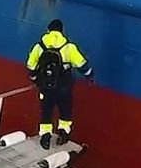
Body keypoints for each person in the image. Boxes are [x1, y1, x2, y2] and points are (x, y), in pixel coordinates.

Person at [26, 19, 92, 149]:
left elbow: (31, 65)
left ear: (48, 30)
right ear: (61, 31)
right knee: (65, 110)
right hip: (64, 85)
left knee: (46, 111)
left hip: (46, 86)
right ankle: (63, 133)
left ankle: (45, 136)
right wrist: (89, 75)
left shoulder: (39, 47)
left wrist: (34, 79)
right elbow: (81, 64)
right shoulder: (69, 47)